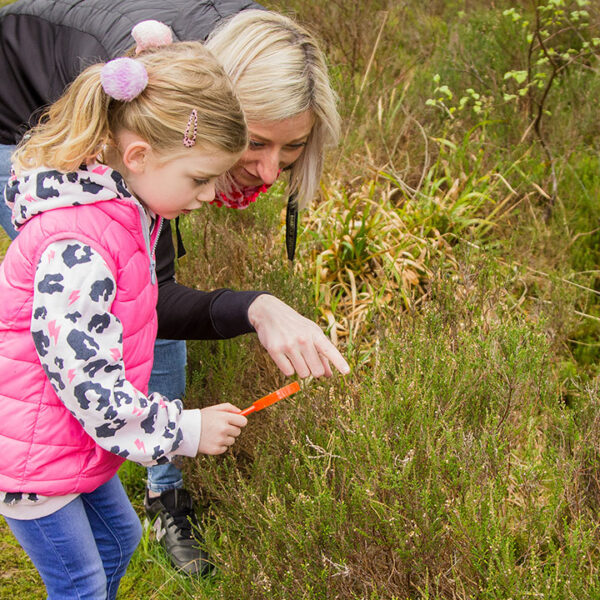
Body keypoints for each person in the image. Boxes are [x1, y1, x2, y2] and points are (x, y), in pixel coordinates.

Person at [0, 0, 350, 576]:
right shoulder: (101, 203)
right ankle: (105, 474)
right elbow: (138, 315)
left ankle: (118, 469)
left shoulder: (163, 145)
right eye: (256, 143)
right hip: (9, 104)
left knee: (118, 301)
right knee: (90, 320)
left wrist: (256, 306)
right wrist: (182, 429)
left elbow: (144, 297)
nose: (268, 172)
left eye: (290, 151)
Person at [0, 31, 251, 599]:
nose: (211, 195)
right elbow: (89, 383)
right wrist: (183, 429)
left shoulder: (119, 211)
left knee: (119, 544)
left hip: (74, 440)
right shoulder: (79, 246)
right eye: (199, 178)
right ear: (138, 156)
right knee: (81, 583)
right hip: (38, 454)